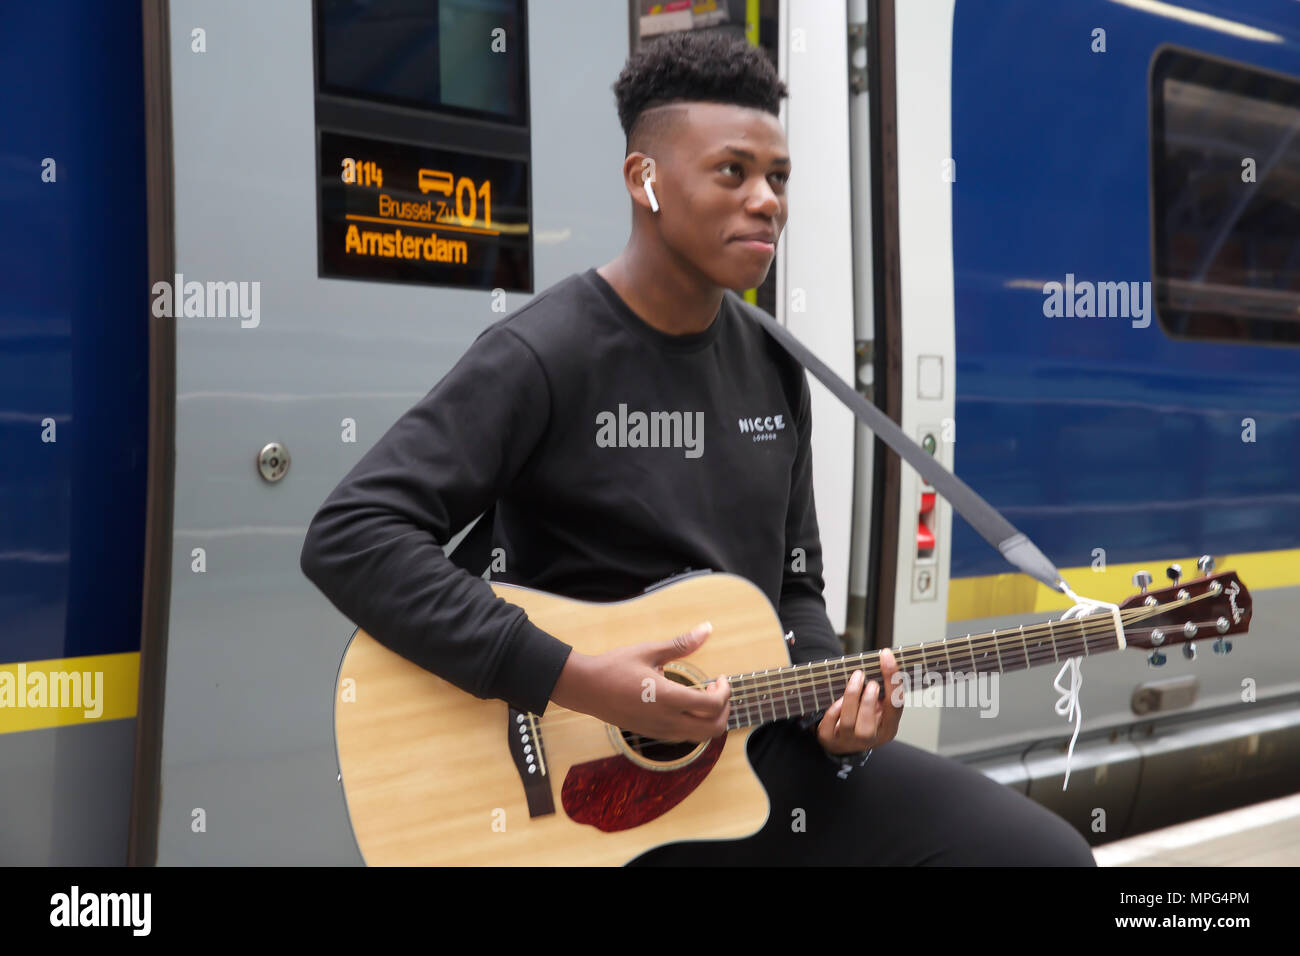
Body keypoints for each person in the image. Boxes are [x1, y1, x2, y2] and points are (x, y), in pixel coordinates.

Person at [299, 30, 1095, 866]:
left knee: (1040, 857)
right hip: (572, 787)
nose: (767, 201)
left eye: (778, 178)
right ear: (645, 180)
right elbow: (352, 536)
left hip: (742, 759)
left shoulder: (775, 365)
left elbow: (793, 585)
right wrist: (571, 676)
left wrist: (834, 716)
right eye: (734, 172)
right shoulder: (544, 354)